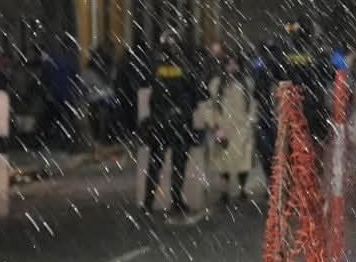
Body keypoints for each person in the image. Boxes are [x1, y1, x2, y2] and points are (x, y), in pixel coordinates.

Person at [258, 18, 332, 178]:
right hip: (311, 106)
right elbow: (328, 74)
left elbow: (273, 74)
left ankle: (293, 178)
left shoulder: (284, 50)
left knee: (289, 150)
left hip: (291, 107)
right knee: (312, 150)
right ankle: (309, 178)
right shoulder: (317, 50)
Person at [141, 30, 203, 218]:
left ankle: (148, 202)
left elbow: (147, 88)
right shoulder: (184, 66)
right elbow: (197, 91)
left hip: (160, 122)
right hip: (178, 123)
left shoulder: (156, 66)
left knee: (156, 164)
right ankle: (175, 200)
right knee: (178, 164)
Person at [200, 50, 258, 208]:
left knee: (243, 160)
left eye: (235, 63)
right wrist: (214, 126)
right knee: (223, 162)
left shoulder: (246, 83)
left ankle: (242, 189)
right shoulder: (216, 84)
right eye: (229, 64)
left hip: (242, 127)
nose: (232, 67)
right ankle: (225, 193)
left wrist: (250, 122)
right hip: (224, 127)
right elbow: (211, 106)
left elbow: (252, 105)